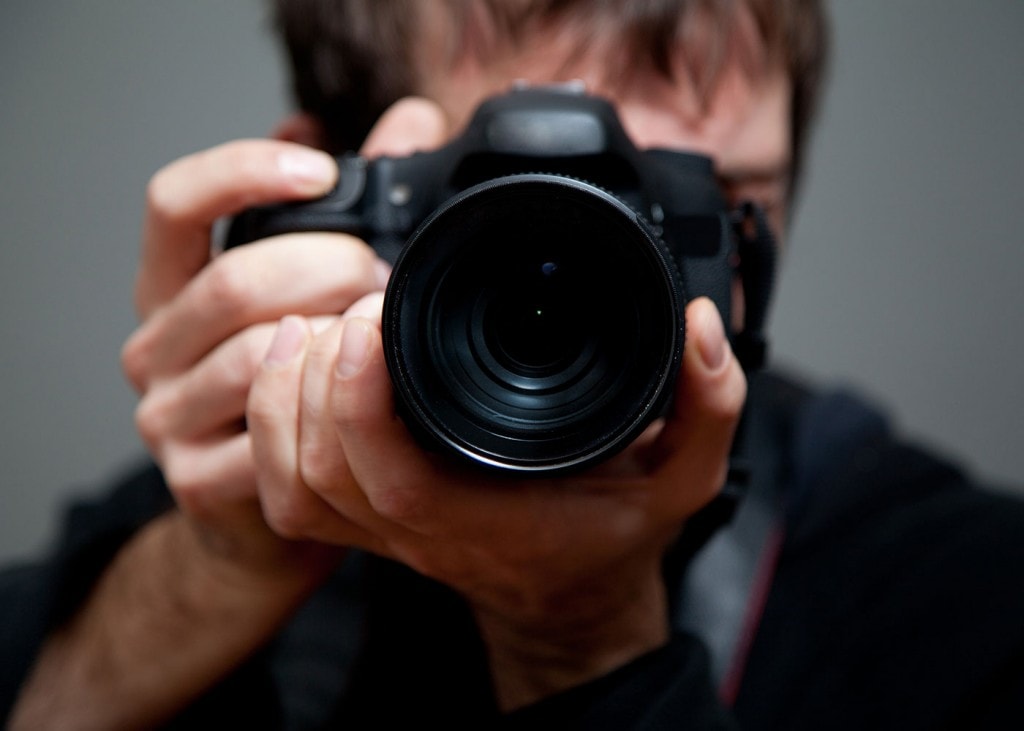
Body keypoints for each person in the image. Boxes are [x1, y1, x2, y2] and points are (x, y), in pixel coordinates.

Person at [3, 1, 1023, 728]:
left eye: (685, 205)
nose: (620, 282)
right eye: (527, 200)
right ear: (332, 193)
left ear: (758, 219)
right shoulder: (219, 507)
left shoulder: (953, 592)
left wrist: (581, 639)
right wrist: (221, 564)